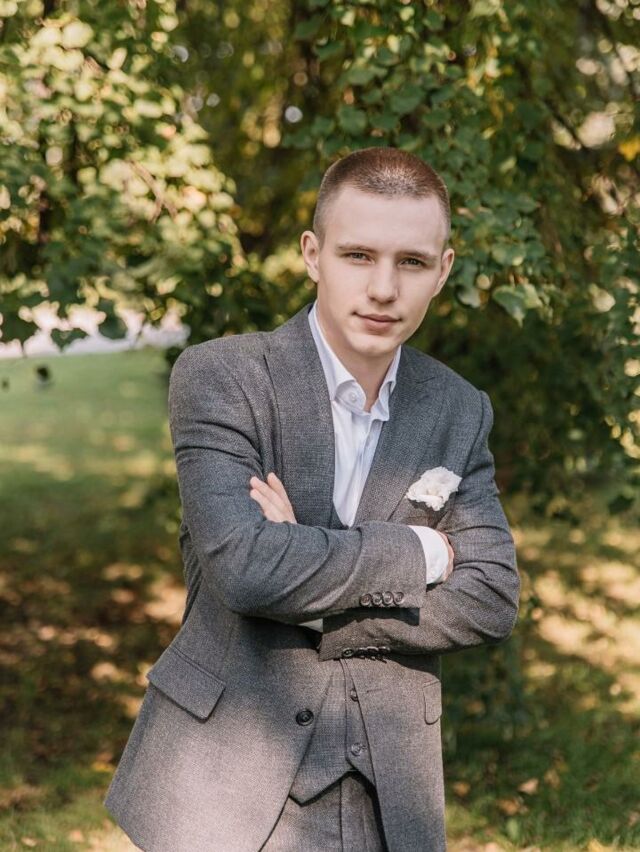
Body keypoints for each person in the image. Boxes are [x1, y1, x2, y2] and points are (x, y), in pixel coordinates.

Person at [104, 146, 519, 851]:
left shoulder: (458, 407)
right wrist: (423, 553)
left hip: (390, 789)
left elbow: (492, 597)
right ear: (312, 254)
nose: (383, 288)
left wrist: (308, 578)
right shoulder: (223, 378)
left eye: (412, 262)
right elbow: (246, 568)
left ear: (443, 270)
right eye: (358, 255)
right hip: (223, 782)